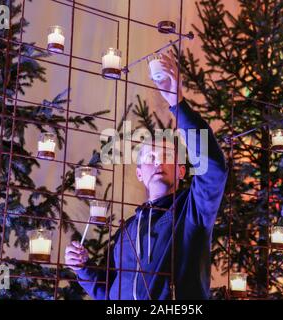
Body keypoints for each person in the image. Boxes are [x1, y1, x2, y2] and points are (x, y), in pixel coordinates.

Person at [64, 51, 228, 300]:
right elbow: (109, 293)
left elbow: (213, 168)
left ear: (182, 170)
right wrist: (83, 269)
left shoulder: (193, 210)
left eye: (166, 155)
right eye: (149, 157)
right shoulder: (127, 231)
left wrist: (178, 103)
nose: (158, 160)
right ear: (140, 173)